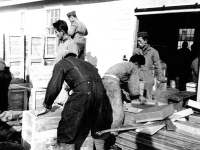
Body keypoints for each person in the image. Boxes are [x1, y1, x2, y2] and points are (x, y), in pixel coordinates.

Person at [36, 53, 112, 150]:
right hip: (102, 95)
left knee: (68, 126)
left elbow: (54, 85)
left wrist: (47, 105)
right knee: (100, 129)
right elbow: (88, 80)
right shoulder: (87, 64)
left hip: (83, 94)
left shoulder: (62, 63)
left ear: (63, 58)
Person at [102, 54, 145, 136]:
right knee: (117, 109)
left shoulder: (123, 65)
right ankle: (113, 132)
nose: (139, 68)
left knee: (108, 106)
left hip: (104, 80)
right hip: (112, 82)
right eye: (140, 66)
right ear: (136, 63)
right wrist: (138, 96)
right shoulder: (133, 67)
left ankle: (104, 127)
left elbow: (124, 84)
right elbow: (133, 84)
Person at [133, 31, 163, 100]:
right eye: (137, 41)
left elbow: (158, 66)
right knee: (137, 97)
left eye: (140, 41)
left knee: (148, 97)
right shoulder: (136, 51)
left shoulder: (153, 52)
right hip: (138, 77)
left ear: (146, 41)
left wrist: (159, 78)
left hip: (148, 78)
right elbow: (132, 64)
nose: (138, 43)